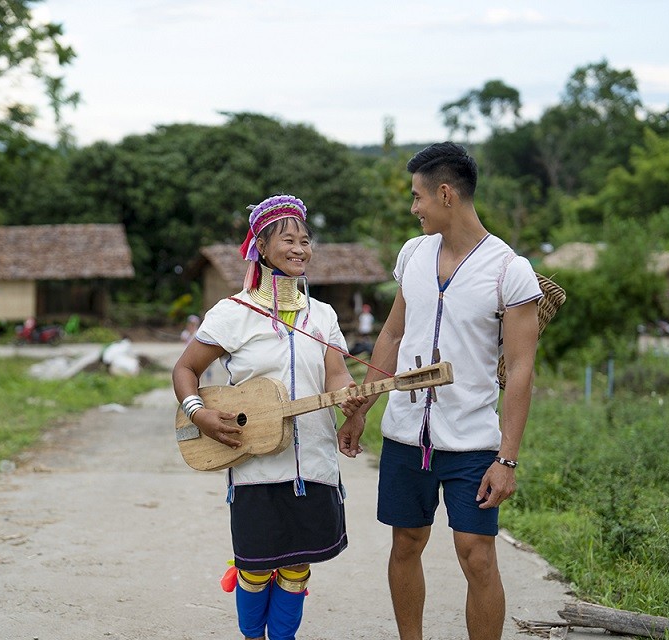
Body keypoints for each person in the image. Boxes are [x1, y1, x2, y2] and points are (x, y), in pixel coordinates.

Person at [337, 142, 543, 640]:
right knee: (406, 542)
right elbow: (391, 335)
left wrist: (507, 459)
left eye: (417, 197)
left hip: (471, 441)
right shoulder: (413, 254)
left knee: (477, 556)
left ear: (445, 194)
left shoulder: (508, 270)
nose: (414, 208)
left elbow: (520, 369)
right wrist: (361, 408)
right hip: (406, 435)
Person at [173, 194, 364, 640]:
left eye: (305, 240)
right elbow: (186, 369)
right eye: (288, 239)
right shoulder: (233, 313)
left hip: (313, 464)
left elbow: (336, 375)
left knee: (298, 565)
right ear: (260, 246)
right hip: (253, 465)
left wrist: (348, 399)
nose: (300, 248)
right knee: (256, 566)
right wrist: (197, 413)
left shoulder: (323, 315)